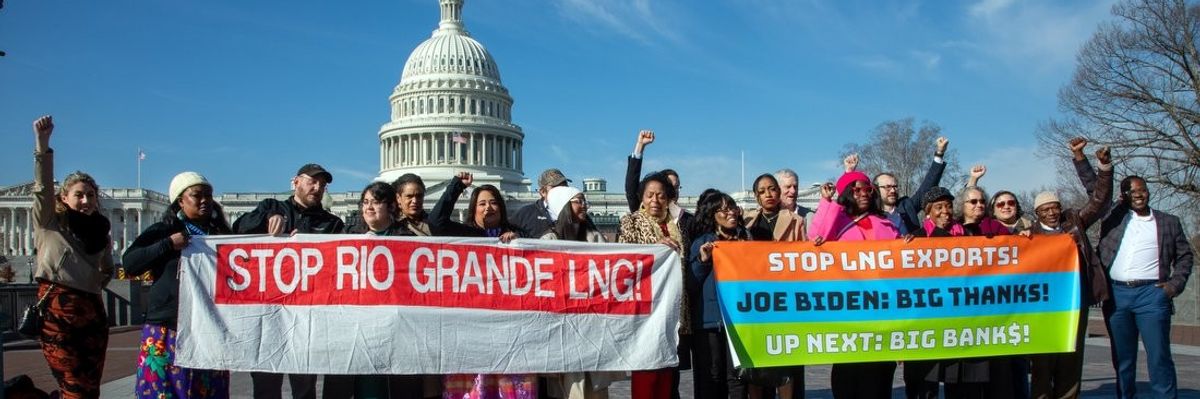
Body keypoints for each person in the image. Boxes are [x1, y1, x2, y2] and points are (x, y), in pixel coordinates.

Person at [233, 163, 345, 399]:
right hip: (269, 316)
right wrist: (266, 219)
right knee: (266, 387)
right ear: (295, 182)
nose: (317, 187)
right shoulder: (272, 208)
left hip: (306, 320)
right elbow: (237, 229)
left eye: (322, 185)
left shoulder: (332, 224)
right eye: (312, 181)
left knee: (304, 389)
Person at [123, 172, 232, 399]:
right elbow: (131, 263)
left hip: (209, 328)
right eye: (196, 195)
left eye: (208, 195)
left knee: (207, 392)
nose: (204, 200)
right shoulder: (163, 230)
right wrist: (167, 244)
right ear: (180, 201)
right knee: (164, 392)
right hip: (167, 327)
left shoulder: (222, 235)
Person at [30, 115, 115, 399]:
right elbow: (41, 187)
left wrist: (92, 282)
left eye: (91, 195)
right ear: (64, 197)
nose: (86, 201)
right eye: (79, 195)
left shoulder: (101, 231)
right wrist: (43, 146)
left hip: (91, 314)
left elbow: (107, 269)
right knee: (74, 387)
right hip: (58, 313)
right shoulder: (50, 223)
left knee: (90, 388)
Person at [430, 172, 533, 399]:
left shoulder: (519, 236)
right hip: (471, 326)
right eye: (482, 203)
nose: (488, 208)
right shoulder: (465, 235)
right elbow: (436, 222)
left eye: (494, 202)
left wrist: (519, 241)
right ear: (473, 208)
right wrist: (456, 186)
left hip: (510, 328)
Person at [905, 186, 1012, 399]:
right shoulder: (916, 239)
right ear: (928, 212)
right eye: (939, 207)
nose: (945, 211)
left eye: (949, 206)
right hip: (928, 325)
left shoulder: (971, 234)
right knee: (924, 385)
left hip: (964, 325)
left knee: (964, 386)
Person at [1027, 144, 1113, 399]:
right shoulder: (1028, 236)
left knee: (1072, 357)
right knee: (1042, 361)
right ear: (1037, 213)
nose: (1052, 212)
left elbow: (1100, 200)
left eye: (1055, 207)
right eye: (1046, 209)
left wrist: (1093, 163)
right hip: (1042, 307)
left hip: (1074, 302)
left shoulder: (1074, 222)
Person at [1098, 175, 1193, 398]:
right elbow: (1096, 188)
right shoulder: (1114, 218)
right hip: (1116, 295)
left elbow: (1185, 256)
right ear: (1124, 196)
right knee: (1122, 359)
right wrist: (1082, 159)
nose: (1139, 194)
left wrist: (1173, 286)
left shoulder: (1169, 222)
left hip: (1152, 295)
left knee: (1159, 356)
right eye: (1132, 191)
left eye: (1143, 190)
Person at [808, 170, 900, 398]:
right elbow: (815, 238)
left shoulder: (886, 223)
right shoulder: (836, 217)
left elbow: (901, 265)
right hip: (848, 312)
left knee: (880, 376)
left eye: (868, 189)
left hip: (882, 311)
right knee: (848, 372)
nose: (864, 193)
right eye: (856, 189)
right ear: (848, 193)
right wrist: (827, 202)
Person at [321, 182, 411, 399]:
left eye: (376, 202)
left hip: (393, 333)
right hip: (354, 332)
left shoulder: (408, 240)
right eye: (366, 202)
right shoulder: (347, 237)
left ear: (391, 206)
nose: (369, 207)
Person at [537, 186, 617, 399]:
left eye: (584, 201)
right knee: (570, 390)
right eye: (578, 201)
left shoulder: (594, 238)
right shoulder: (548, 242)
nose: (584, 206)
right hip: (562, 331)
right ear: (564, 207)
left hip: (592, 328)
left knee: (596, 391)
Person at [618, 171, 686, 399]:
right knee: (646, 374)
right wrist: (654, 249)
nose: (655, 201)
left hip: (671, 309)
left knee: (667, 374)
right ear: (641, 198)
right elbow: (624, 260)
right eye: (650, 195)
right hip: (645, 310)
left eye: (661, 195)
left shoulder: (676, 225)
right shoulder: (631, 221)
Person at [741, 173, 805, 398]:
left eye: (772, 189)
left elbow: (804, 258)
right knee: (756, 362)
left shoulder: (796, 220)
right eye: (762, 191)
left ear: (778, 192)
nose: (768, 194)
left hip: (784, 299)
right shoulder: (746, 221)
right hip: (755, 301)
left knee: (785, 361)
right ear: (756, 197)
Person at [688, 191, 750, 399]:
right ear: (712, 215)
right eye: (723, 209)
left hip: (741, 321)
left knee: (738, 379)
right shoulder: (702, 243)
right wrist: (703, 261)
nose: (730, 212)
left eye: (732, 207)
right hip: (709, 324)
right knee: (710, 379)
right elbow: (690, 285)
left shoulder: (747, 239)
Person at [873, 137, 950, 235]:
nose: (893, 190)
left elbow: (926, 188)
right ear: (876, 189)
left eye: (895, 186)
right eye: (887, 187)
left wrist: (939, 154)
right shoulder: (871, 214)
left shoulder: (907, 206)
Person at [510, 168, 570, 237]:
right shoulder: (525, 215)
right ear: (543, 192)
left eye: (565, 187)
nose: (562, 191)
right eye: (556, 188)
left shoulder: (576, 213)